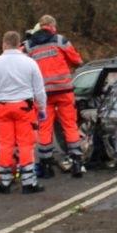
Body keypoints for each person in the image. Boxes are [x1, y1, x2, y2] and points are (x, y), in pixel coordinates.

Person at [0, 31, 47, 194]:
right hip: (24, 107)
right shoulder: (30, 63)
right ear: (19, 45)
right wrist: (43, 108)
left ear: (4, 44)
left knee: (5, 144)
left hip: (2, 107)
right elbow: (39, 89)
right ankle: (28, 183)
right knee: (25, 144)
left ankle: (4, 182)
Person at [25, 15, 85, 178]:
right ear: (51, 26)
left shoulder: (30, 45)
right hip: (64, 91)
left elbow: (20, 63)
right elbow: (77, 60)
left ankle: (46, 166)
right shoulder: (60, 40)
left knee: (44, 128)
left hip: (43, 94)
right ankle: (77, 162)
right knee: (70, 125)